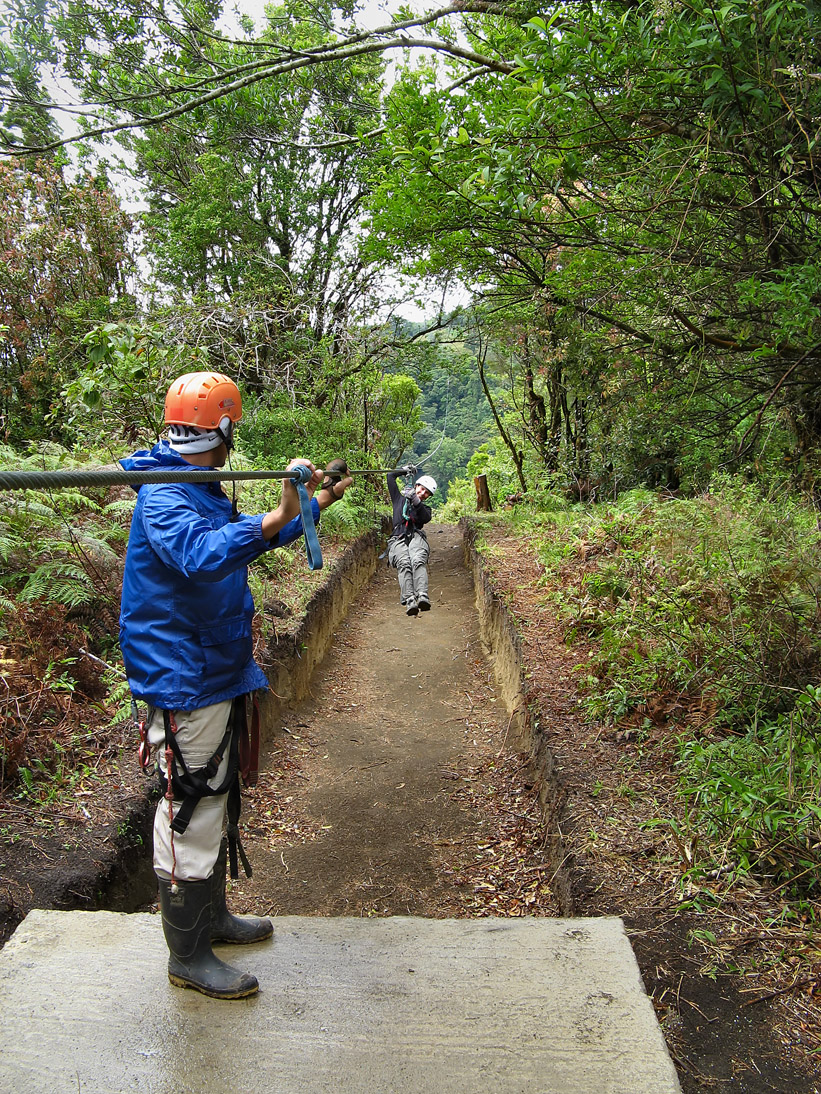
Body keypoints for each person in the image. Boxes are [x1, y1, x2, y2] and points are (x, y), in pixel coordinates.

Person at [119, 371, 351, 1000]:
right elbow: (201, 554)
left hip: (211, 662)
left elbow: (237, 545)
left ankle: (212, 917)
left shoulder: (200, 485)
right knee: (191, 802)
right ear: (221, 428)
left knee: (215, 793)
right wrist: (277, 512)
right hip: (181, 671)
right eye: (232, 428)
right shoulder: (166, 495)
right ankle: (187, 952)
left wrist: (307, 508)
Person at [386, 469, 437, 615]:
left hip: (415, 536)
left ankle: (422, 595)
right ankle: (409, 599)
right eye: (421, 489)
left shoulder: (425, 509)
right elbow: (390, 476)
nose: (422, 493)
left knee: (417, 559)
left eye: (426, 493)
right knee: (404, 562)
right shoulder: (399, 499)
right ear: (416, 486)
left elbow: (425, 518)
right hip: (398, 537)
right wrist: (403, 471)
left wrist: (415, 500)